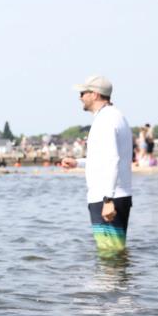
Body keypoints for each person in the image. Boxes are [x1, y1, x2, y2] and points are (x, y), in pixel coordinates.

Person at [59, 75, 132, 254]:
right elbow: (105, 158)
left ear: (95, 94)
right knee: (114, 254)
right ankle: (118, 282)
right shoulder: (115, 116)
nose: (80, 97)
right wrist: (78, 162)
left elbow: (113, 159)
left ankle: (112, 283)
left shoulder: (106, 120)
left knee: (110, 254)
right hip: (115, 195)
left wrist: (108, 199)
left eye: (83, 92)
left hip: (106, 197)